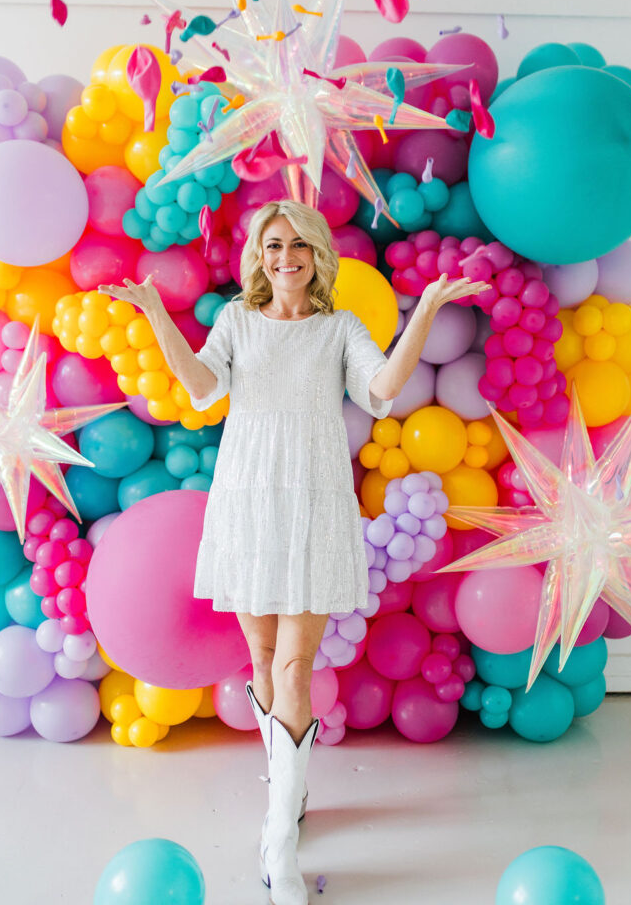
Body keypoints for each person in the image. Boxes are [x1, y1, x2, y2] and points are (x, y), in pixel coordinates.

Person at [99, 199, 490, 904]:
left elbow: (379, 391)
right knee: (260, 659)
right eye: (274, 245)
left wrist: (425, 307)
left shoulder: (338, 328)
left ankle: (278, 837)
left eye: (298, 246)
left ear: (316, 256)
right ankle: (290, 789)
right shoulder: (236, 323)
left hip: (312, 504)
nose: (286, 257)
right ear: (259, 255)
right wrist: (155, 312)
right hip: (248, 503)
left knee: (295, 660)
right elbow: (200, 388)